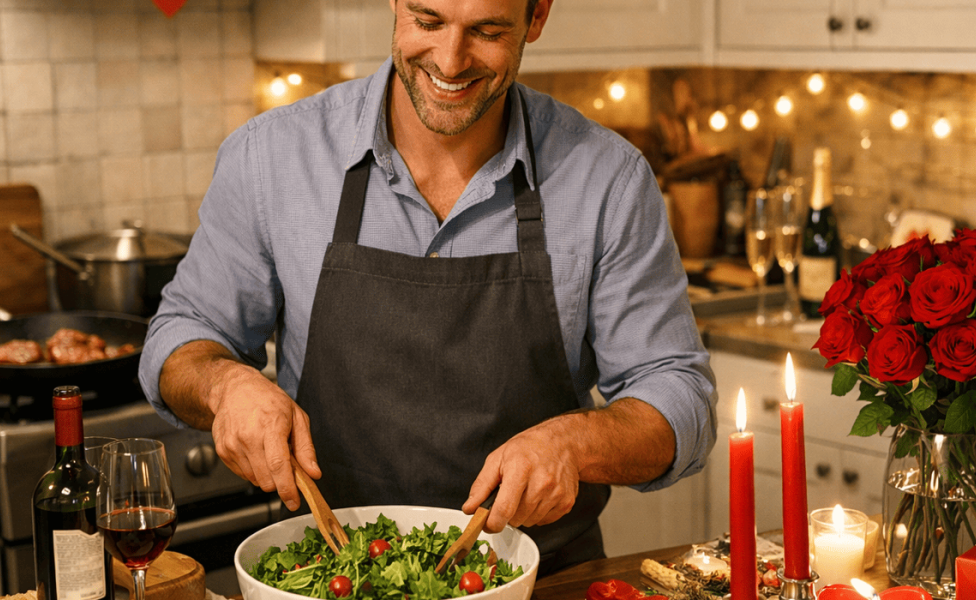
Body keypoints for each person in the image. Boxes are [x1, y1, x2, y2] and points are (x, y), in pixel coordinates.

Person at [139, 0, 716, 575]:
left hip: (541, 578)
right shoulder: (271, 156)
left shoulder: (608, 178)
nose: (450, 60)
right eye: (428, 21)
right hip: (328, 576)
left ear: (537, 16)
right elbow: (181, 339)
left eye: (486, 30)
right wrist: (225, 386)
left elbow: (679, 393)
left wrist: (576, 443)